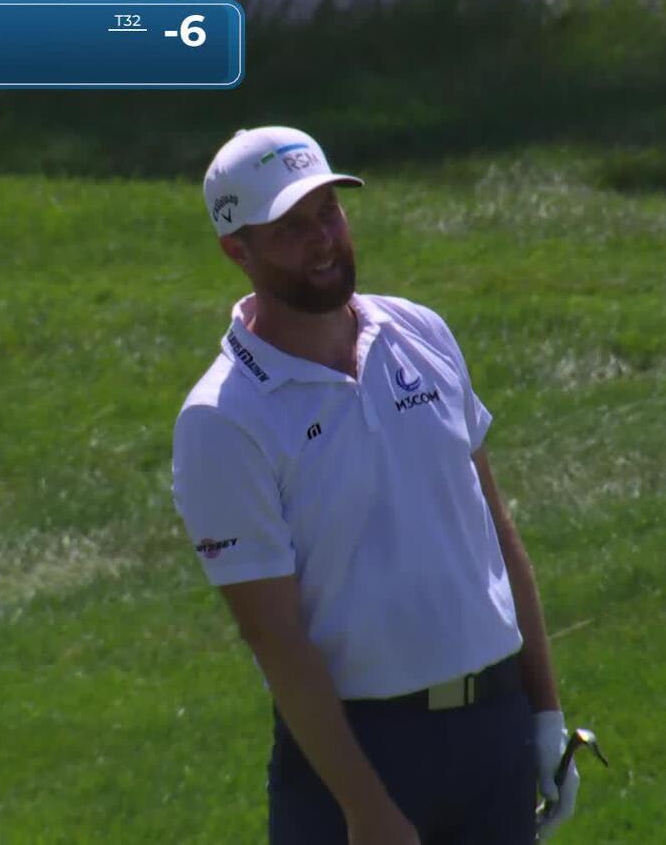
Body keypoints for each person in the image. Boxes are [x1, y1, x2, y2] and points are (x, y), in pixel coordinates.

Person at [172, 126, 580, 844]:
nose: (322, 241)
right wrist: (365, 808)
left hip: (494, 732)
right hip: (357, 756)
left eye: (328, 212)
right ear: (238, 250)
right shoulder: (222, 418)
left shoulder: (421, 331)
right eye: (291, 228)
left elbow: (495, 529)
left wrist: (544, 712)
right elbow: (272, 634)